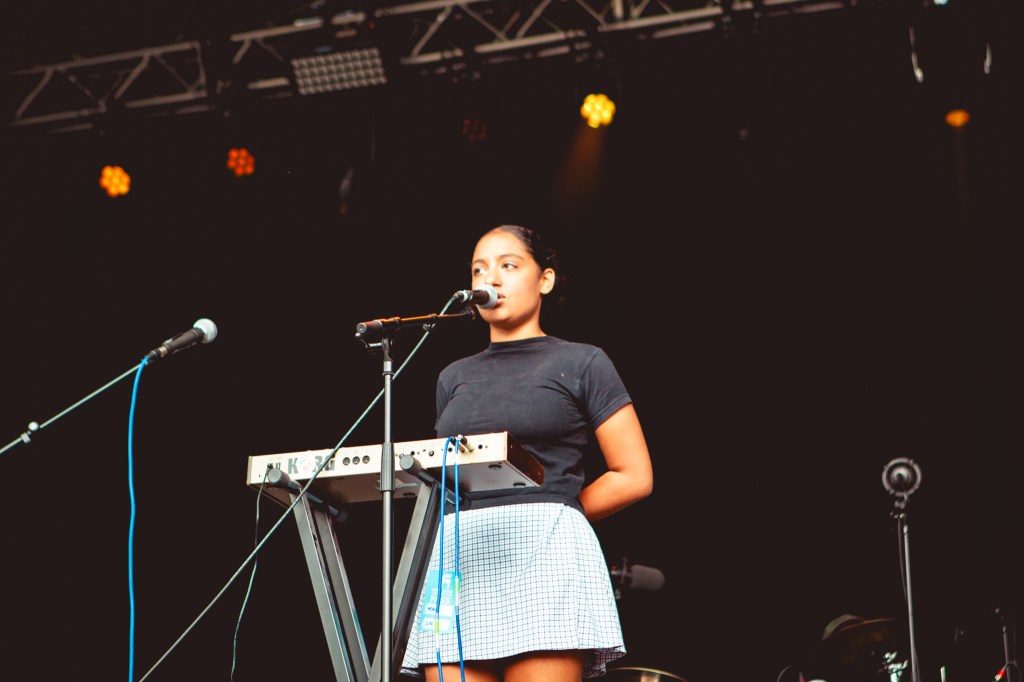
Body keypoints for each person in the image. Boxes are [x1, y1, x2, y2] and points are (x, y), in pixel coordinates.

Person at [400, 224, 654, 681]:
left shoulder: (583, 362)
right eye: (479, 269)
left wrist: (556, 513)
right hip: (459, 554)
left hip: (545, 553)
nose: (491, 279)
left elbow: (633, 474)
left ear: (546, 279)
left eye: (508, 265)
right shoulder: (452, 377)